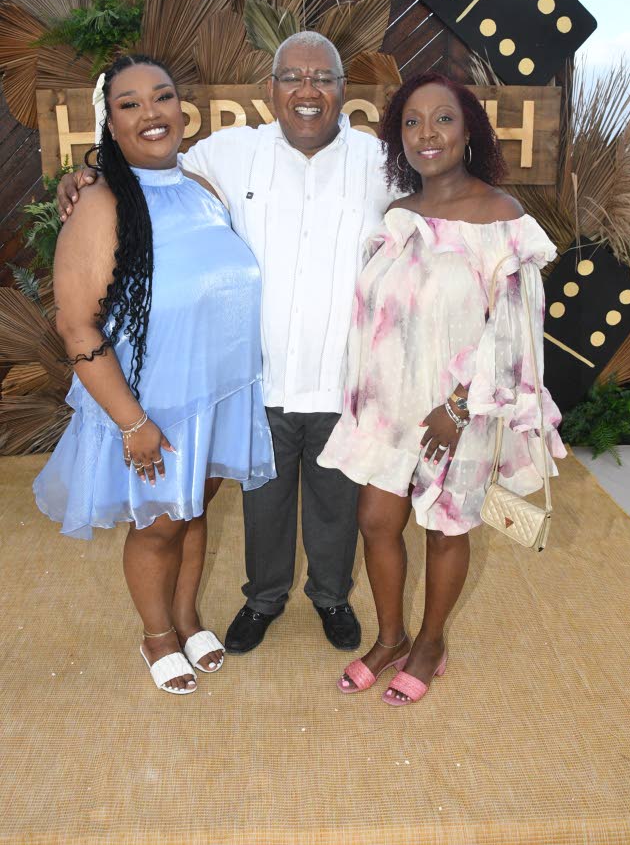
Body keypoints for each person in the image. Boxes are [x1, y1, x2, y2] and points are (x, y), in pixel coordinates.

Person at [57, 33, 401, 655]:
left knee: (335, 504)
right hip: (256, 383)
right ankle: (263, 599)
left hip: (343, 376)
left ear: (343, 89)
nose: (307, 90)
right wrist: (84, 177)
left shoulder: (382, 163)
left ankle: (330, 596)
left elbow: (440, 199)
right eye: (292, 77)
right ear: (270, 88)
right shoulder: (228, 153)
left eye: (322, 77)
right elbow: (146, 167)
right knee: (261, 505)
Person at [317, 73, 567, 705]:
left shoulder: (502, 218)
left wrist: (458, 407)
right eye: (412, 121)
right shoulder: (397, 216)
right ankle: (391, 637)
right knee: (376, 520)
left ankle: (430, 644)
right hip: (391, 410)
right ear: (398, 137)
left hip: (459, 411)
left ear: (469, 130)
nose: (427, 133)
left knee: (446, 529)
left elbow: (515, 335)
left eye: (443, 119)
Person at [36, 55, 276, 695]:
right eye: (130, 104)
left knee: (192, 512)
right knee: (160, 525)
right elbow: (77, 327)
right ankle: (157, 634)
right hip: (152, 405)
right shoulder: (101, 202)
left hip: (216, 396)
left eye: (162, 96)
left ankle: (186, 617)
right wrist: (132, 421)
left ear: (180, 107)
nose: (151, 113)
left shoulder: (202, 188)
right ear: (109, 123)